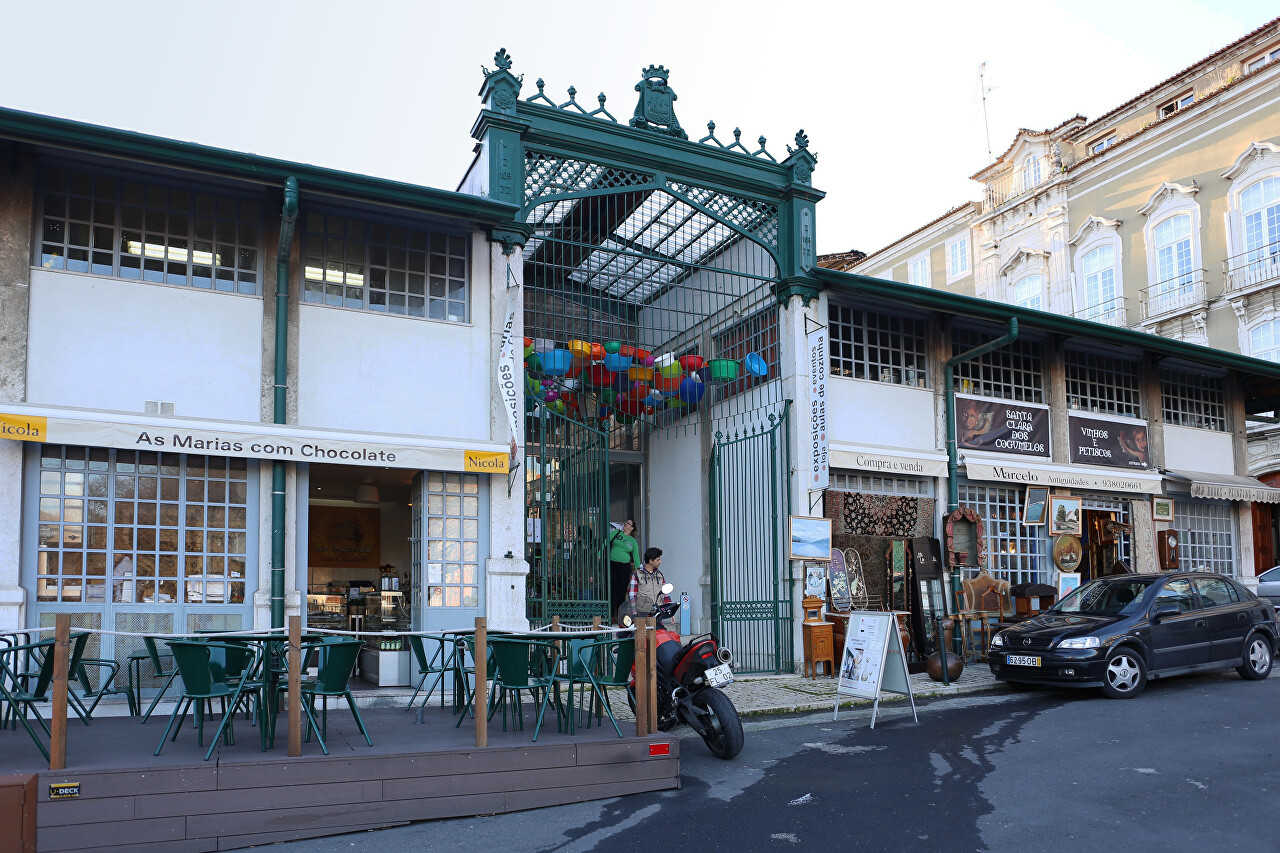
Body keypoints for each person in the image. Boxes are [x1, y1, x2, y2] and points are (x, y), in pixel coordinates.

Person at [607, 519, 641, 615]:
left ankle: (620, 615)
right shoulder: (617, 533)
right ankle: (611, 614)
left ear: (632, 528)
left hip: (624, 567)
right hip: (612, 564)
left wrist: (639, 572)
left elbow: (636, 558)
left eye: (628, 523)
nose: (625, 524)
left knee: (621, 591)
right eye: (625, 522)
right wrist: (600, 553)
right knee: (611, 589)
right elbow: (606, 541)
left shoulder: (633, 541)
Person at [628, 546, 672, 615]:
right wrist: (634, 613)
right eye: (658, 560)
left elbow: (665, 594)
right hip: (643, 613)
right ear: (651, 561)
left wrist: (670, 610)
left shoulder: (659, 575)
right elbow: (632, 596)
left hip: (658, 612)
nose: (660, 562)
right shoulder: (637, 575)